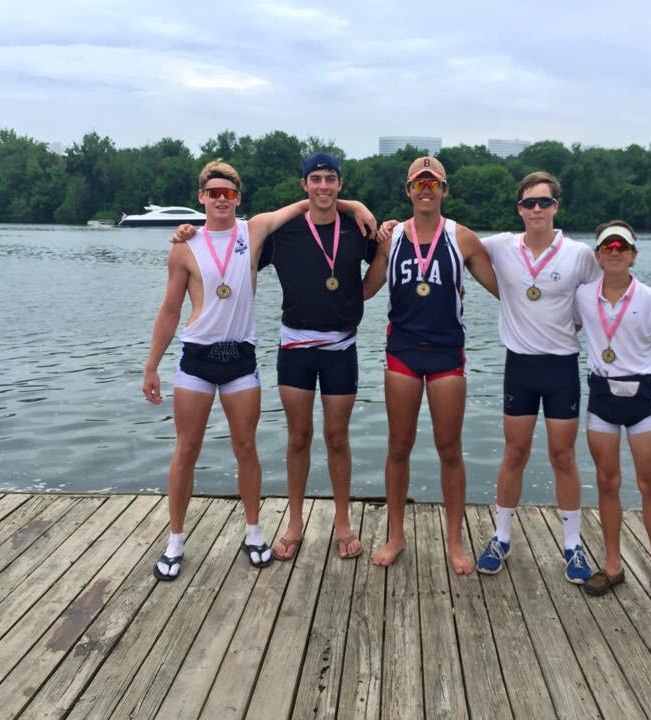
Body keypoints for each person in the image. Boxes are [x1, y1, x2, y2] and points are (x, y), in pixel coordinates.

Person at [172, 152, 378, 562]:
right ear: (304, 185)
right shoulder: (283, 232)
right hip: (295, 348)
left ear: (340, 184)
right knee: (298, 438)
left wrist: (363, 219)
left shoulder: (358, 226)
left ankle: (342, 523)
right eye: (315, 179)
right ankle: (295, 523)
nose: (323, 186)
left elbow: (384, 265)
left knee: (338, 439)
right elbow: (231, 253)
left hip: (341, 348)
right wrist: (190, 234)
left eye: (330, 179)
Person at [142, 159, 343, 580]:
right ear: (201, 197)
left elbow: (314, 202)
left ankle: (253, 533)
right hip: (196, 357)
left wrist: (358, 210)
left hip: (240, 359)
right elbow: (170, 309)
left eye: (228, 194)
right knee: (186, 450)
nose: (220, 199)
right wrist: (151, 366)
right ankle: (175, 540)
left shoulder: (254, 230)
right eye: (213, 192)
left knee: (246, 448)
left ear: (238, 198)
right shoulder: (184, 246)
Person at [364, 156, 499, 575]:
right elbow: (364, 292)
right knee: (399, 447)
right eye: (418, 184)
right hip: (402, 350)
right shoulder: (393, 238)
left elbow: (506, 291)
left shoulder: (463, 238)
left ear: (443, 190)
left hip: (446, 353)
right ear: (408, 191)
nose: (426, 190)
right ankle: (396, 535)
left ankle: (455, 540)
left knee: (449, 450)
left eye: (433, 183)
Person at [474, 171, 601, 583]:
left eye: (544, 202)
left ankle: (572, 545)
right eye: (529, 203)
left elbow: (600, 294)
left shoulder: (579, 254)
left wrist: (582, 321)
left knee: (563, 457)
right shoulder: (501, 246)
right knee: (514, 454)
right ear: (519, 209)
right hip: (520, 366)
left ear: (556, 207)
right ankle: (502, 536)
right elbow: (453, 241)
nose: (536, 210)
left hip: (561, 365)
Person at [575, 220, 651, 607]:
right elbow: (555, 325)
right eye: (608, 246)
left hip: (642, 397)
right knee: (607, 482)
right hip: (602, 394)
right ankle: (612, 566)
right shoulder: (582, 295)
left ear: (633, 255)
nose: (615, 252)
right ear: (597, 255)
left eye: (622, 247)